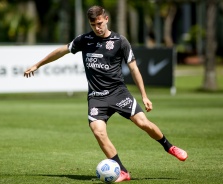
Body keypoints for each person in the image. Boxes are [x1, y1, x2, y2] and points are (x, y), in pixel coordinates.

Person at [24, 5, 187, 182]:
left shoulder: (120, 41)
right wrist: (37, 65)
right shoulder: (84, 40)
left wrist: (144, 96)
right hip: (96, 97)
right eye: (93, 24)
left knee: (143, 123)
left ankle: (169, 147)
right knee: (98, 131)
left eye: (100, 23)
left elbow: (134, 69)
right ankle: (123, 172)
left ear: (106, 19)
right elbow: (61, 51)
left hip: (119, 93)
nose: (97, 27)